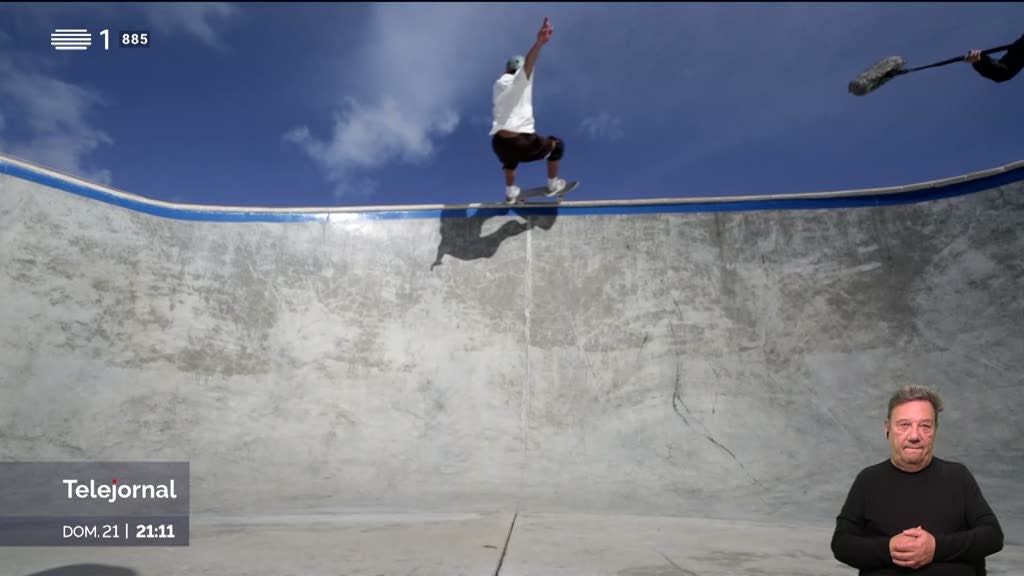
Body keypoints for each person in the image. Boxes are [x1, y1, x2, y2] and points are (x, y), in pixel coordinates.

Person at [831, 385, 1004, 575]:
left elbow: (992, 536)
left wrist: (936, 548)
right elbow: (841, 543)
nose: (914, 436)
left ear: (935, 430)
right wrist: (888, 549)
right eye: (904, 425)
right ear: (887, 428)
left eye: (925, 426)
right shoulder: (868, 480)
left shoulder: (958, 476)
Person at [490, 17, 567, 204]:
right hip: (521, 140)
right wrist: (539, 42)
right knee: (557, 145)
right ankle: (552, 184)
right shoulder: (520, 79)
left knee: (510, 162)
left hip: (499, 143)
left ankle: (510, 192)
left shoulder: (498, 84)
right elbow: (528, 66)